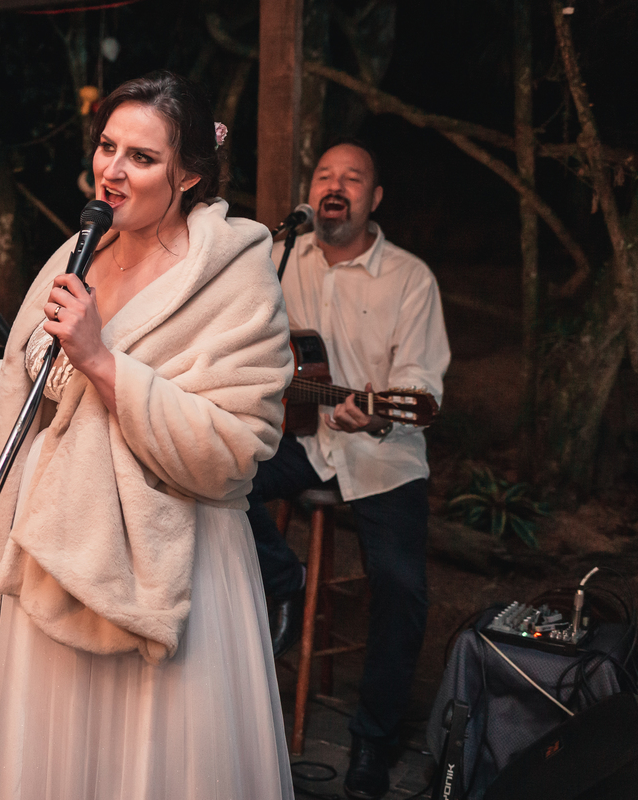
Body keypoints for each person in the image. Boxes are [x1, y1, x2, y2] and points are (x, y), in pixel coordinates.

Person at [0, 71, 296, 799]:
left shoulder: (236, 280)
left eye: (141, 157)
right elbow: (44, 397)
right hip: (54, 551)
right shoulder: (78, 250)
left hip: (169, 570)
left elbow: (234, 451)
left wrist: (101, 359)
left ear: (190, 175)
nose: (112, 169)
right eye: (107, 146)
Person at [251, 140, 451, 800]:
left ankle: (372, 739)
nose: (336, 187)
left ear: (375, 198)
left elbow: (419, 384)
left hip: (382, 453)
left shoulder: (410, 279)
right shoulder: (279, 258)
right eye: (325, 176)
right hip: (301, 437)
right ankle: (285, 580)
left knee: (401, 588)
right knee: (213, 478)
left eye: (353, 178)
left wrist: (378, 414)